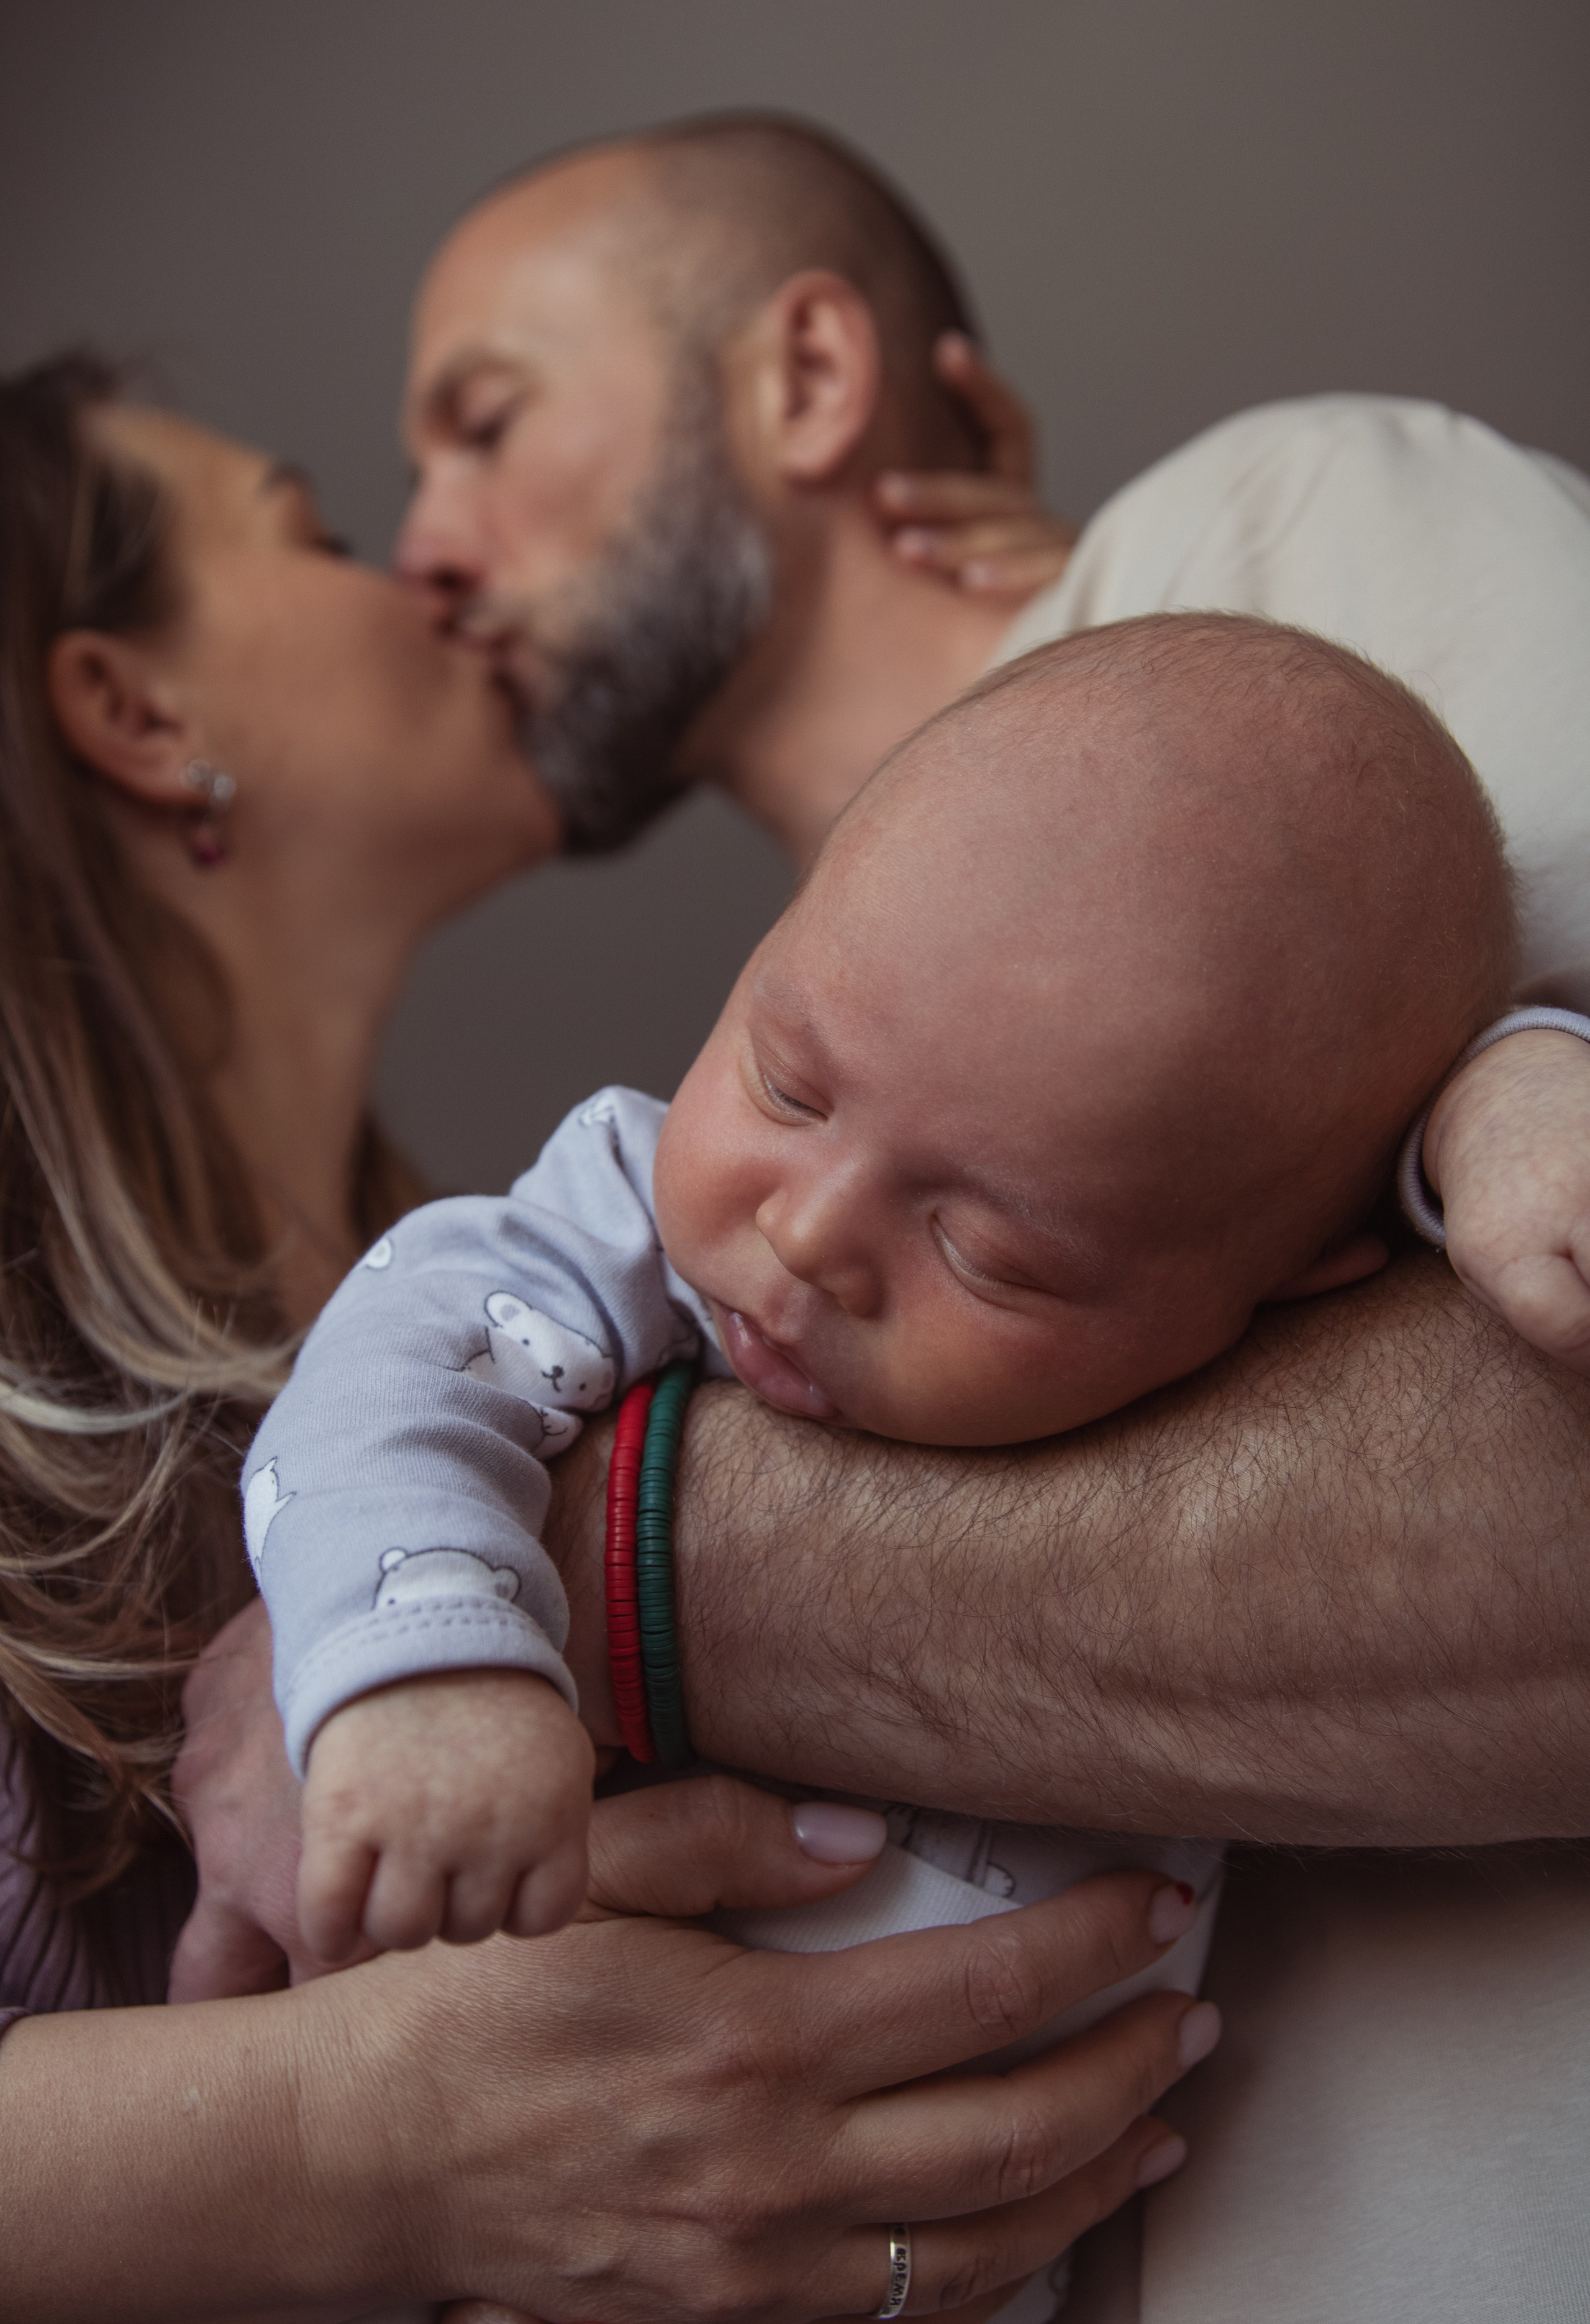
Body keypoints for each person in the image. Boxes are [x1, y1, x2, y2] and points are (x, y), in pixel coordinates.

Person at [176, 111, 1590, 2322]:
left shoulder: (1286, 532)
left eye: (485, 421)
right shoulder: (727, 1172)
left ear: (815, 376)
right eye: (798, 1072)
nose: (425, 545)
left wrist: (521, 1560)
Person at [0, 354, 1222, 2320]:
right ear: (136, 713)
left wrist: (1062, 654)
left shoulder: (621, 1308)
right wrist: (364, 2144)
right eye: (322, 532)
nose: (436, 561)